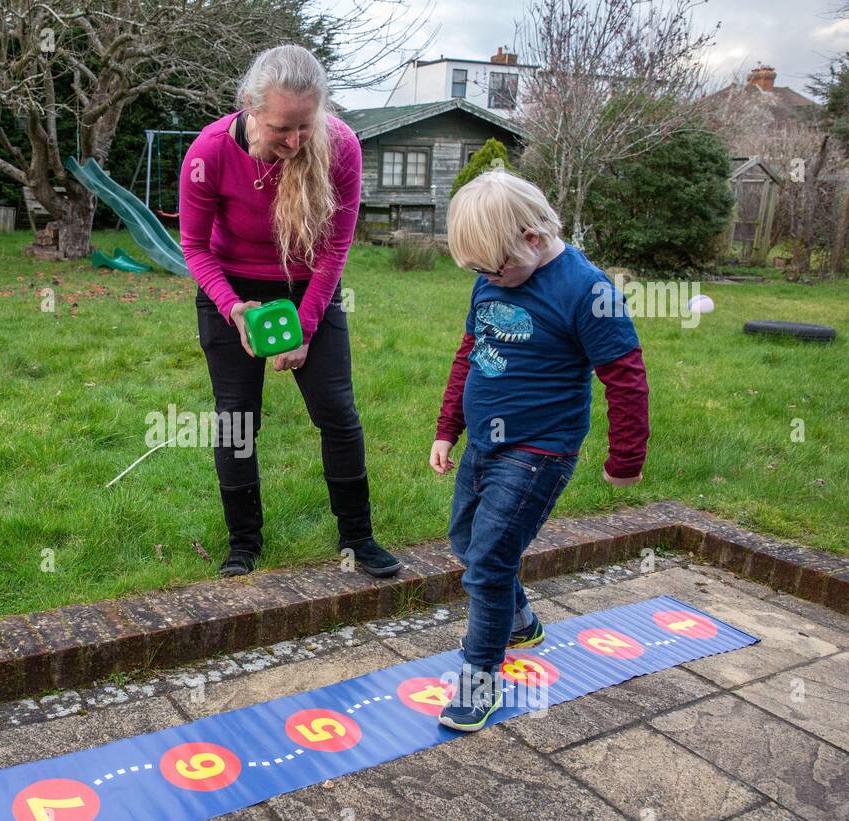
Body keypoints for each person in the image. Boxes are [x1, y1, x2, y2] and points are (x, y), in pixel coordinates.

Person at [429, 169, 650, 732]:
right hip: (484, 439)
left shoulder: (588, 291)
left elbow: (625, 376)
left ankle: (481, 678)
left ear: (533, 238)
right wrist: (447, 427)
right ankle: (520, 620)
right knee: (463, 539)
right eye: (480, 272)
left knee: (486, 565)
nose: (490, 281)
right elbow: (470, 353)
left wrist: (626, 458)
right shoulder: (493, 274)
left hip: (539, 451)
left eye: (495, 268)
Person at [179, 44, 399, 579]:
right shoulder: (208, 154)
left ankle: (358, 538)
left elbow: (335, 251)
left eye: (306, 125)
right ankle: (244, 544)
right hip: (232, 286)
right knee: (237, 418)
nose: (296, 141)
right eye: (282, 128)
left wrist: (305, 324)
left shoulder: (341, 147)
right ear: (251, 108)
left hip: (309, 287)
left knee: (337, 414)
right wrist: (232, 309)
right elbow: (194, 245)